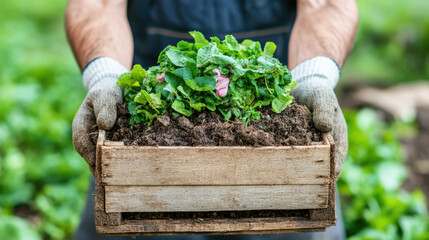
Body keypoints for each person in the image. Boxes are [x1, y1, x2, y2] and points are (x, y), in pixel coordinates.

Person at [66, 0, 358, 239]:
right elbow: (99, 4)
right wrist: (105, 76)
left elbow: (325, 4)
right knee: (119, 208)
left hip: (278, 118)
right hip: (147, 152)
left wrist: (313, 75)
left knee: (301, 211)